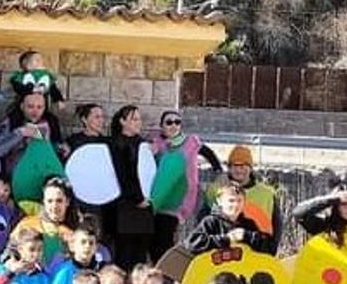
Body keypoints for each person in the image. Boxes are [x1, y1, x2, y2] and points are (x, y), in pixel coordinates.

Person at [149, 110, 221, 261]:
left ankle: (164, 274)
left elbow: (208, 153)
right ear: (162, 126)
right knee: (153, 240)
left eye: (177, 122)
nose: (174, 125)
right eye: (169, 122)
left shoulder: (190, 142)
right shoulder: (157, 144)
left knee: (165, 238)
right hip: (157, 198)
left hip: (177, 199)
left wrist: (219, 172)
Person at [202, 145, 282, 250]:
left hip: (257, 252)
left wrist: (272, 248)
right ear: (229, 168)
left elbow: (277, 226)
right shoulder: (216, 190)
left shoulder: (266, 194)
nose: (239, 170)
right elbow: (203, 222)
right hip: (221, 253)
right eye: (235, 166)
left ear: (250, 168)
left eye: (243, 166)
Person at [109, 105, 154, 269]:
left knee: (140, 254)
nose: (138, 123)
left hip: (144, 206)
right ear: (122, 121)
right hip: (125, 206)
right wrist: (136, 198)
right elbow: (122, 174)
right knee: (125, 253)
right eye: (134, 119)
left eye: (139, 119)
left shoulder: (142, 144)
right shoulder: (116, 144)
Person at [186, 183, 275, 256]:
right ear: (220, 201)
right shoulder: (210, 222)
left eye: (239, 200)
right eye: (231, 201)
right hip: (214, 274)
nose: (236, 205)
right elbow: (192, 244)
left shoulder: (249, 224)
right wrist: (227, 239)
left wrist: (247, 236)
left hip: (241, 273)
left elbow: (271, 248)